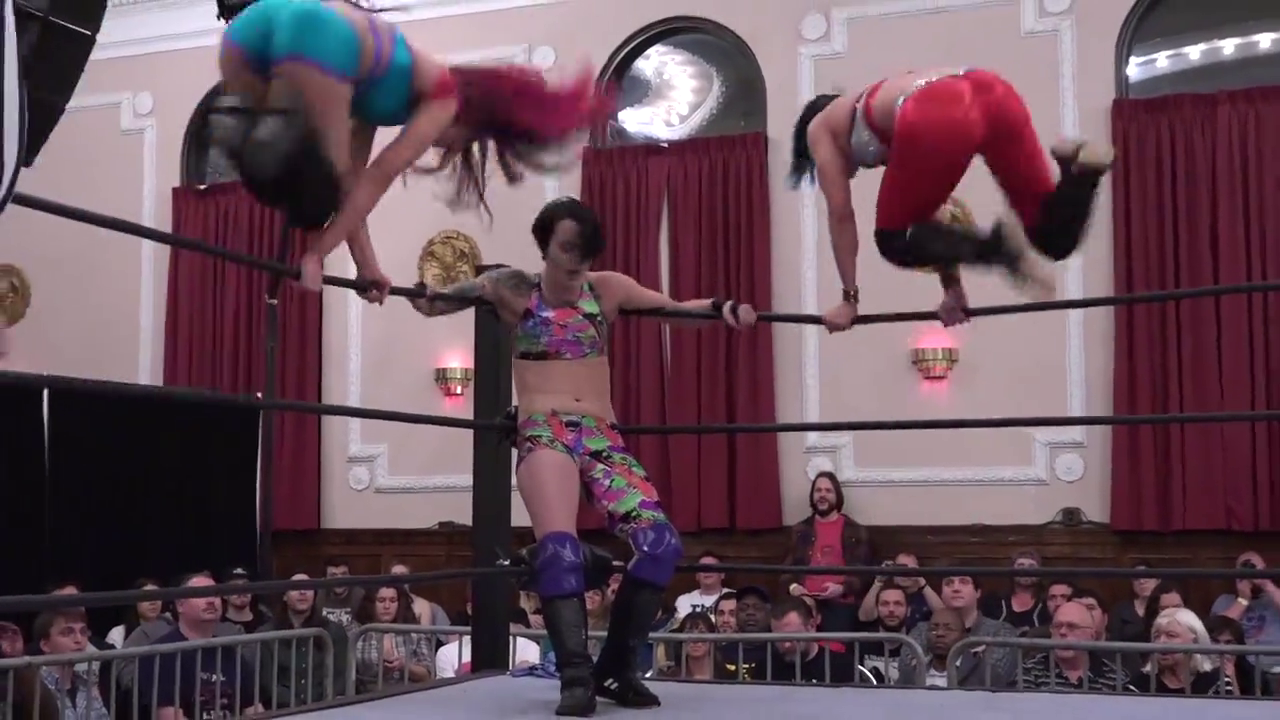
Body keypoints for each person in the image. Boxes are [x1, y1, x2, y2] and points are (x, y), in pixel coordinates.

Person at [409, 196, 757, 716]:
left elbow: (675, 309)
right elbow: (436, 302)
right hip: (544, 430)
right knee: (560, 549)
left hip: (601, 435)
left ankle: (615, 668)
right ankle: (575, 677)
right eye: (567, 248)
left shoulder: (606, 289)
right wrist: (418, 292)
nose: (576, 261)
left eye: (585, 250)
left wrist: (722, 308)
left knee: (660, 543)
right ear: (544, 246)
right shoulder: (511, 288)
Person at [214, 0, 611, 303]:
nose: (448, 147)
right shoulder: (444, 96)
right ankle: (252, 135)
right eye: (464, 143)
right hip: (322, 36)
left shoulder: (373, 95)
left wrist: (367, 266)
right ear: (475, 119)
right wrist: (315, 254)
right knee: (311, 187)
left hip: (251, 31)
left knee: (285, 177)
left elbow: (352, 185)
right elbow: (377, 176)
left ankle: (245, 128)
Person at [790, 67, 1112, 332]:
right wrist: (953, 289)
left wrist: (849, 301)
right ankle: (1081, 172)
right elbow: (940, 213)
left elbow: (840, 214)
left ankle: (1001, 248)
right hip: (994, 92)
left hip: (941, 107)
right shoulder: (885, 119)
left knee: (892, 240)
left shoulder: (820, 128)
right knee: (1054, 238)